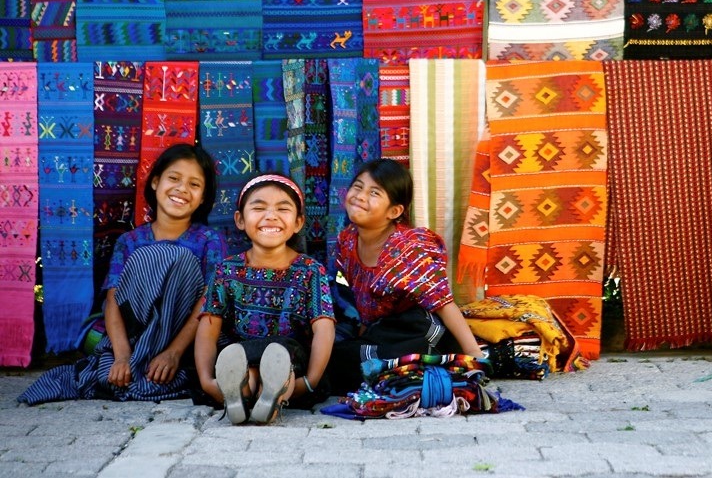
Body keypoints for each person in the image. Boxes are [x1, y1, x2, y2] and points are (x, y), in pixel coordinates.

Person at [18, 143, 226, 405]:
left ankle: (159, 360)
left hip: (181, 340)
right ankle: (139, 360)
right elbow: (114, 301)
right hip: (133, 339)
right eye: (174, 178)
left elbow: (209, 302)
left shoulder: (208, 240)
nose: (182, 189)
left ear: (204, 197)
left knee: (177, 258)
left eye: (194, 185)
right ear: (155, 182)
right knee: (111, 377)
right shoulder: (129, 241)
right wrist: (122, 356)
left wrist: (173, 352)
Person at [326, 158, 484, 395]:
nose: (360, 196)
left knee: (393, 349)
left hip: (417, 330)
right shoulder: (347, 241)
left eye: (374, 192)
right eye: (358, 187)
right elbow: (357, 294)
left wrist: (475, 358)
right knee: (335, 354)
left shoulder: (409, 247)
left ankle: (413, 371)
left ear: (395, 211)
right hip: (382, 332)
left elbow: (443, 303)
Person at [194, 173, 335, 424]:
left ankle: (267, 395)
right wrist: (207, 380)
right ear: (240, 219)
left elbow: (324, 328)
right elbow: (208, 327)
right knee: (244, 367)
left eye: (283, 209)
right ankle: (246, 394)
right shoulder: (227, 270)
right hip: (242, 356)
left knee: (280, 358)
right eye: (259, 208)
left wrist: (311, 381)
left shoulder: (310, 270)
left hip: (294, 363)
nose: (271, 215)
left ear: (298, 222)